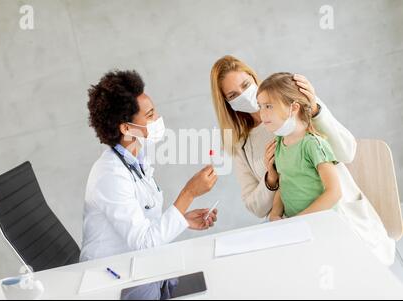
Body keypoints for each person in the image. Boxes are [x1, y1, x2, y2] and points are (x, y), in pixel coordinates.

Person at [210, 55, 394, 265]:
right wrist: (271, 179)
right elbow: (258, 205)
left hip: (337, 220)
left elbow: (347, 152)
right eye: (234, 95)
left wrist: (315, 110)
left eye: (246, 85)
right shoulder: (240, 143)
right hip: (296, 230)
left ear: (254, 78)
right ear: (226, 103)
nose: (244, 95)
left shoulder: (297, 101)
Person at [80, 70, 218, 261]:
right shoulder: (110, 175)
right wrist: (189, 193)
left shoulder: (137, 156)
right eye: (150, 115)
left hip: (138, 263)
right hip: (110, 273)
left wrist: (182, 221)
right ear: (126, 128)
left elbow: (145, 223)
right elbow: (144, 242)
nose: (157, 119)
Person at [257, 72, 341, 221]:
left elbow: (334, 192)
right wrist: (275, 214)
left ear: (294, 108)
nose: (262, 113)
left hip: (323, 223)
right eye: (260, 106)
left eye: (268, 106)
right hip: (295, 223)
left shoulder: (313, 144)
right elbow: (285, 183)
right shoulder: (279, 144)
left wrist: (299, 221)